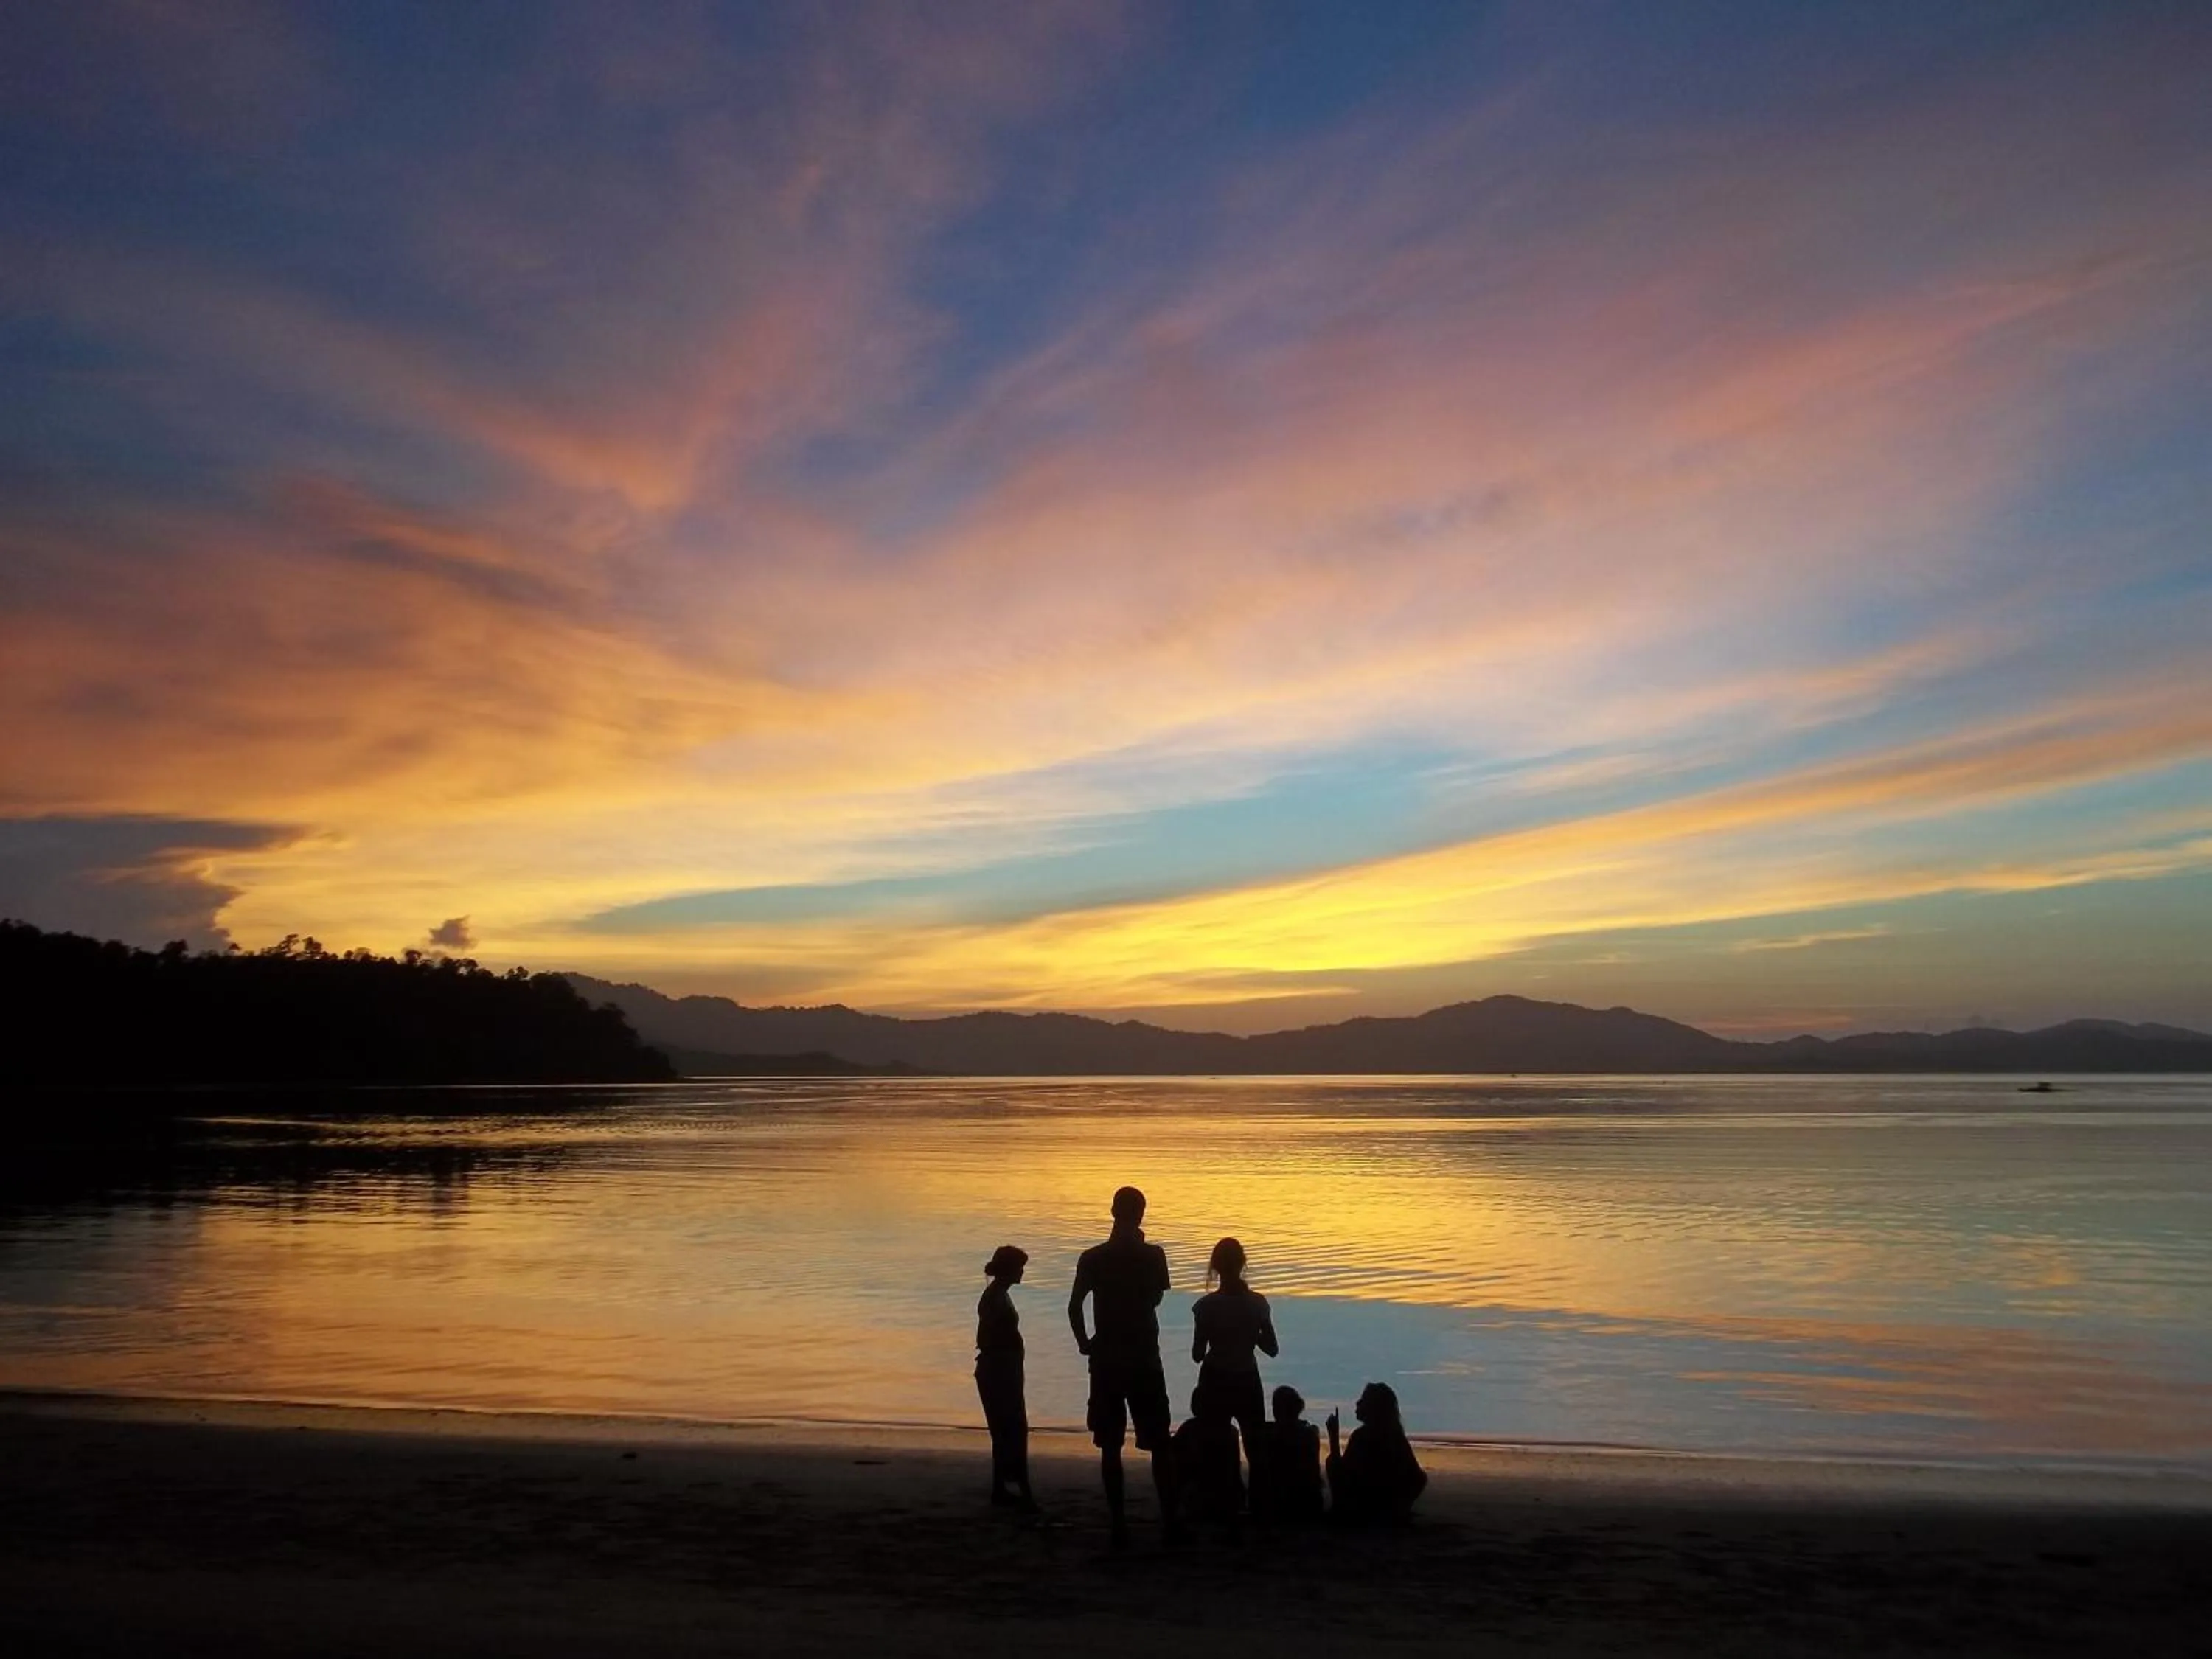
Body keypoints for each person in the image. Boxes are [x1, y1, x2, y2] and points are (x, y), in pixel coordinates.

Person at [1068, 1185, 1177, 1548]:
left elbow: (1074, 1307)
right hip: (1144, 1356)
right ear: (1141, 1214)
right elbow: (1155, 1298)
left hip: (1107, 1357)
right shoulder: (1153, 1255)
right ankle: (1169, 1521)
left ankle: (1118, 1524)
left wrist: (1085, 1343)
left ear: (1113, 1212)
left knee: (1110, 1445)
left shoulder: (1093, 1257)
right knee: (1159, 1442)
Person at [1189, 1236, 1277, 1498]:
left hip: (1215, 1378)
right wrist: (1251, 1334)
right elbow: (1272, 1348)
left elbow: (1197, 1354)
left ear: (1215, 1267)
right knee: (1255, 1444)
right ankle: (1259, 1500)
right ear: (1243, 1264)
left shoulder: (1205, 1307)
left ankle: (1225, 1496)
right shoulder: (1258, 1304)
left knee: (1218, 1443)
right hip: (1247, 1378)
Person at [974, 1244, 1035, 1510]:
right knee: (1011, 1429)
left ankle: (1002, 1488)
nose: (1022, 1272)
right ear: (1010, 1269)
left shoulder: (998, 1294)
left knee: (1006, 1431)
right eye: (1020, 1267)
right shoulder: (995, 1297)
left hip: (1004, 1370)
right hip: (999, 1372)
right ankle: (1021, 1491)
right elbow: (987, 1338)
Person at [1326, 1382, 1427, 1525]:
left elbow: (1343, 1475)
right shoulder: (1395, 1435)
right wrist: (1401, 1505)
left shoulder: (1361, 1436)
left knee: (1332, 1463)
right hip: (1388, 1509)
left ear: (1373, 1408)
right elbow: (1419, 1478)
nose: (1357, 1403)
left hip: (1363, 1509)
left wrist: (1334, 1437)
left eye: (1363, 1400)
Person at [1250, 1384, 1324, 1523]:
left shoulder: (1270, 1435)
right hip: (1308, 1505)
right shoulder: (1310, 1434)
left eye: (1275, 1406)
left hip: (1279, 1505)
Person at [1169, 1387, 1243, 1523]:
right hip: (1227, 1495)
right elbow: (1235, 1469)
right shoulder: (1231, 1431)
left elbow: (1173, 1449)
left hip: (1199, 1491)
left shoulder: (1190, 1427)